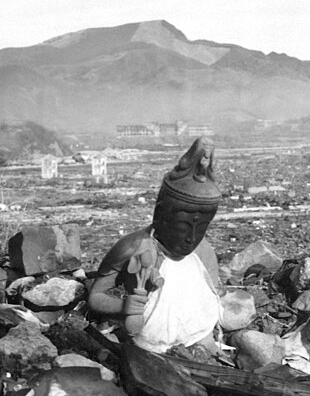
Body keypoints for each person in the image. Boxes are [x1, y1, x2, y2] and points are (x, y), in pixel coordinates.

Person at [87, 137, 223, 354]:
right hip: (147, 341)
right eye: (183, 227)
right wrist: (124, 306)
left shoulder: (203, 252)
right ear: (160, 213)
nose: (191, 238)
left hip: (197, 334)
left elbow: (210, 298)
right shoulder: (134, 247)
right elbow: (95, 297)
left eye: (201, 228)